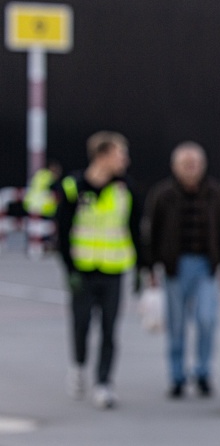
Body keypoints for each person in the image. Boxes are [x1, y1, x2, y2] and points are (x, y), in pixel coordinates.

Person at [55, 132, 143, 409]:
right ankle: (79, 365)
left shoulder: (125, 189)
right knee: (81, 325)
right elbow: (63, 233)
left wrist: (142, 266)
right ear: (102, 156)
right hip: (83, 270)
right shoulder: (72, 188)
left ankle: (104, 382)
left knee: (109, 328)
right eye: (120, 154)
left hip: (113, 269)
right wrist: (68, 269)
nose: (125, 160)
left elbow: (135, 229)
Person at [144, 142, 220, 398]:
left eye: (194, 164)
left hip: (206, 265)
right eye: (185, 164)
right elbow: (152, 232)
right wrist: (150, 266)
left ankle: (204, 371)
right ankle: (176, 375)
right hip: (175, 266)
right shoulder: (163, 195)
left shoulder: (215, 193)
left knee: (207, 319)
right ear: (175, 167)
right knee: (176, 324)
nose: (190, 169)